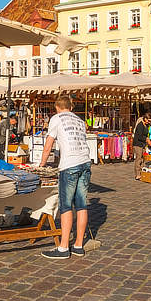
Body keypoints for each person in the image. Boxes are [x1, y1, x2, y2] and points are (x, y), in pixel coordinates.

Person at [38, 95, 91, 259]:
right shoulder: (80, 121)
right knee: (81, 205)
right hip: (85, 162)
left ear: (56, 107)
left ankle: (63, 247)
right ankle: (78, 245)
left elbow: (49, 144)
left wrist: (41, 165)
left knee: (66, 206)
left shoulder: (56, 118)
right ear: (71, 107)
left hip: (69, 165)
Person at [132, 113, 151, 180]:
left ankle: (142, 173)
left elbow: (146, 134)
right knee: (139, 158)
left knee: (143, 158)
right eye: (148, 120)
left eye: (150, 121)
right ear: (145, 119)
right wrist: (146, 139)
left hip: (143, 143)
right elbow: (139, 136)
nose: (149, 122)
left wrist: (147, 139)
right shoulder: (140, 125)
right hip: (138, 144)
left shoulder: (146, 125)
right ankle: (137, 174)